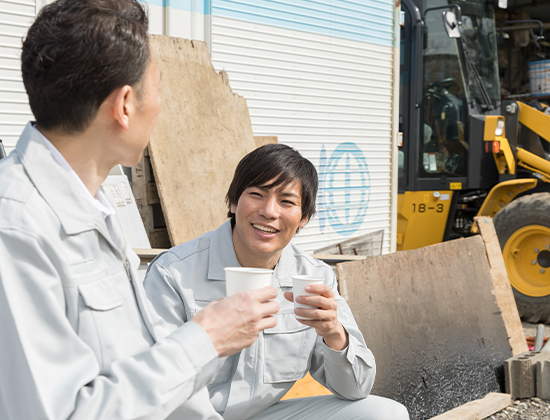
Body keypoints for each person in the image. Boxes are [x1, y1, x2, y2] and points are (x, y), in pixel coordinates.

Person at [0, 1, 280, 419]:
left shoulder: (91, 211)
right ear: (125, 105)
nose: (161, 105)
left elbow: (133, 371)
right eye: (159, 87)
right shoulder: (7, 227)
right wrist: (205, 339)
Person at [144, 144, 410, 419]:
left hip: (264, 413)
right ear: (234, 203)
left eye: (287, 201)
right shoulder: (173, 273)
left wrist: (333, 333)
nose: (269, 212)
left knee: (384, 414)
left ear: (304, 217)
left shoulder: (314, 278)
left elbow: (356, 389)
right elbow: (156, 382)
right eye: (257, 195)